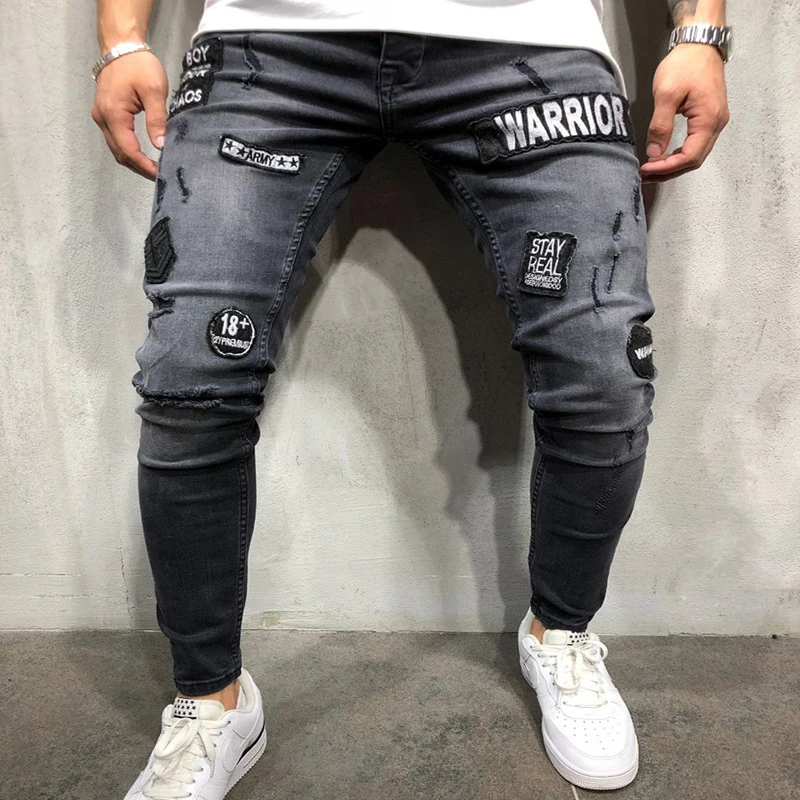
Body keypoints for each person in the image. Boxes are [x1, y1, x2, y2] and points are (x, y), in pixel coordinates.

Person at [91, 0, 731, 796]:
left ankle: (560, 634)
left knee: (605, 373)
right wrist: (121, 39)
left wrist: (701, 31)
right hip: (271, 43)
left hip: (531, 42)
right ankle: (210, 701)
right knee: (189, 375)